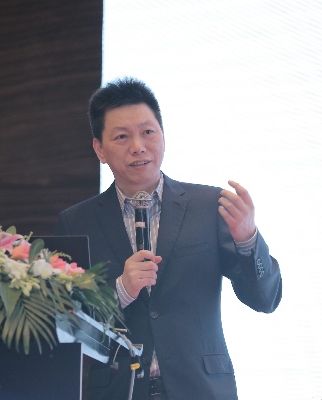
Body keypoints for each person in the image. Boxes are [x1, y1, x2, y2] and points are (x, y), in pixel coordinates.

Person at [56, 77, 282, 400]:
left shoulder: (209, 206)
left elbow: (265, 299)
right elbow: (68, 324)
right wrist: (120, 290)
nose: (138, 146)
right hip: (118, 391)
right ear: (99, 149)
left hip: (201, 390)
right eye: (122, 136)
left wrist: (248, 240)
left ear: (163, 135)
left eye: (148, 132)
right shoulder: (77, 222)